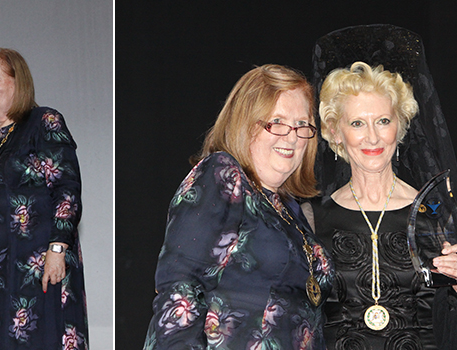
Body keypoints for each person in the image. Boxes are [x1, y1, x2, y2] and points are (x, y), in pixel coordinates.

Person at [307, 59, 457, 349]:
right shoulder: (312, 217)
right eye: (357, 123)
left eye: (384, 121)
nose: (373, 136)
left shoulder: (433, 213)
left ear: (401, 125)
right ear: (335, 132)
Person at [143, 64, 335, 350]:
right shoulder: (223, 175)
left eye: (302, 125)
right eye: (277, 121)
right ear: (246, 123)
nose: (292, 136)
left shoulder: (291, 211)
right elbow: (180, 288)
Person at [0, 48, 88, 349]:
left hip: (38, 264)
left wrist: (58, 249)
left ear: (19, 83)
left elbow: (67, 189)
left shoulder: (44, 121)